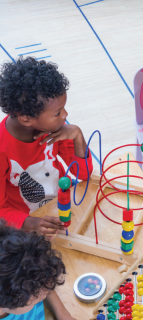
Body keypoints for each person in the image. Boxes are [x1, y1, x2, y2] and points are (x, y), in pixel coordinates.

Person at [0, 57, 93, 237]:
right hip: (24, 223)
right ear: (26, 119)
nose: (65, 115)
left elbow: (84, 175)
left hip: (59, 205)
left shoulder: (55, 129)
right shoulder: (2, 149)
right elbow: (1, 211)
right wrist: (33, 223)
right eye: (58, 113)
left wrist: (77, 136)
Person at [0, 221, 76, 319]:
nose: (44, 295)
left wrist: (63, 314)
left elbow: (43, 284)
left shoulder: (27, 288)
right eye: (35, 301)